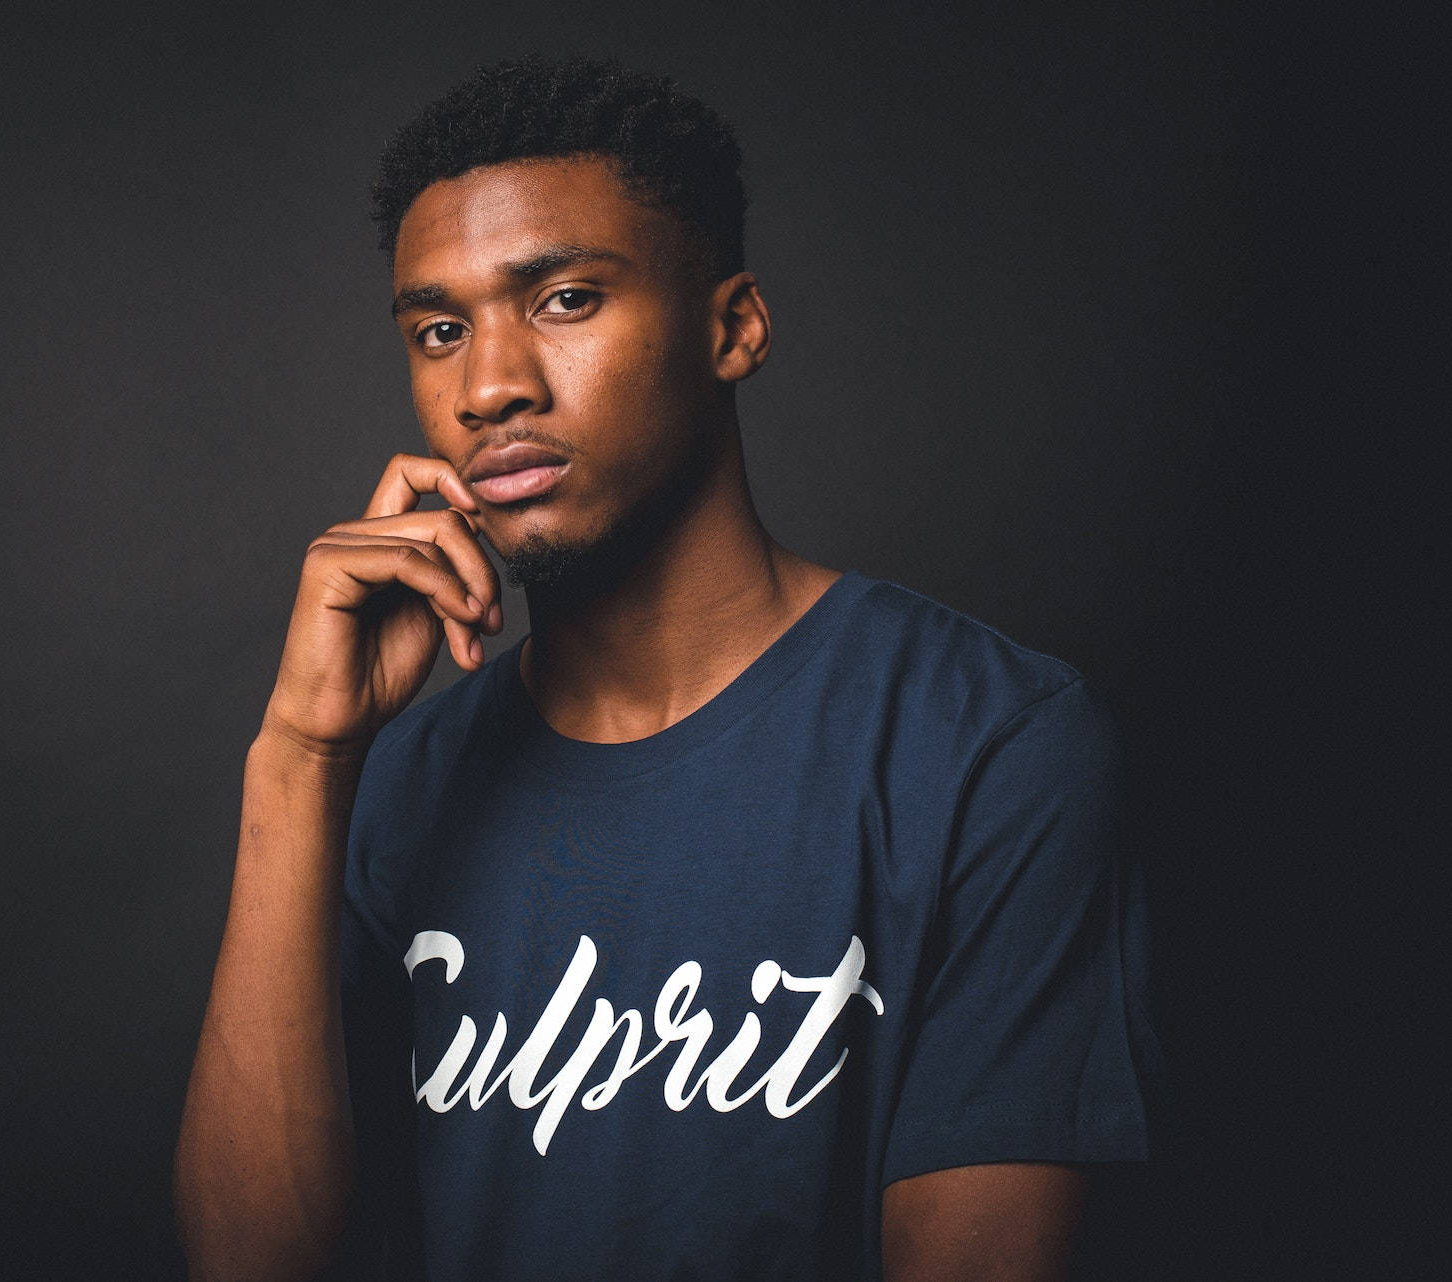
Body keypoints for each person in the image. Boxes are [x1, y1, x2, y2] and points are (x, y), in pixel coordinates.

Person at [174, 55, 1156, 1282]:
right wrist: (300, 758)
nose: (489, 386)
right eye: (440, 329)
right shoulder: (391, 780)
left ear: (731, 326)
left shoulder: (989, 743)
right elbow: (249, 1265)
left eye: (565, 299)